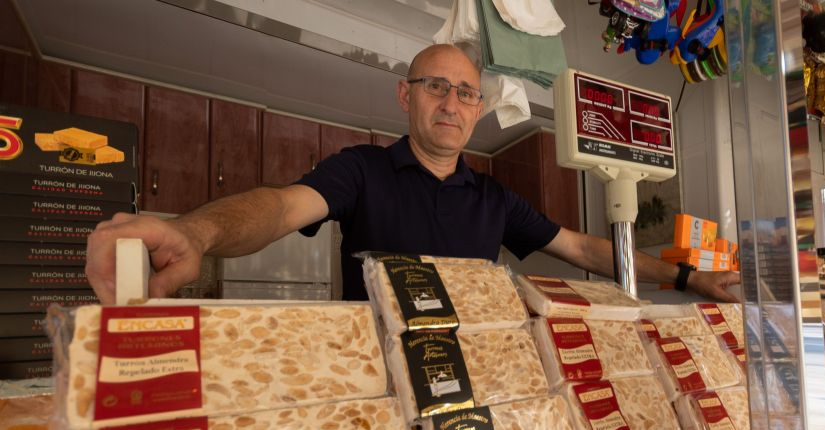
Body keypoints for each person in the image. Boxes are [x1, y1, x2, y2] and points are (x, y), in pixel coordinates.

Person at [86, 44, 740, 304]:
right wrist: (197, 233)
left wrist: (686, 277)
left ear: (479, 110)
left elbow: (583, 248)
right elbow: (280, 207)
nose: (451, 103)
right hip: (375, 380)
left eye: (464, 92)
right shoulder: (361, 170)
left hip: (481, 375)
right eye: (436, 87)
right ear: (407, 96)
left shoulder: (495, 197)